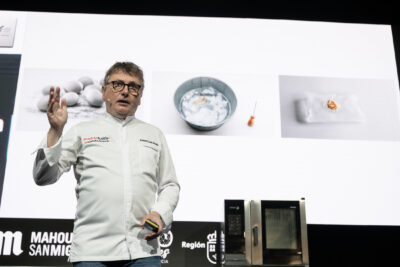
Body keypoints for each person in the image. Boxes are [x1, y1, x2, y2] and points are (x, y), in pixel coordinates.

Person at [33, 62, 180, 267]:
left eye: (134, 86)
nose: (126, 91)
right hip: (92, 253)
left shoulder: (154, 135)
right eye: (118, 84)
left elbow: (170, 185)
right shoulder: (81, 131)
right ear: (103, 92)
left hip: (143, 250)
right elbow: (43, 177)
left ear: (140, 96)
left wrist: (160, 214)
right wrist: (55, 132)